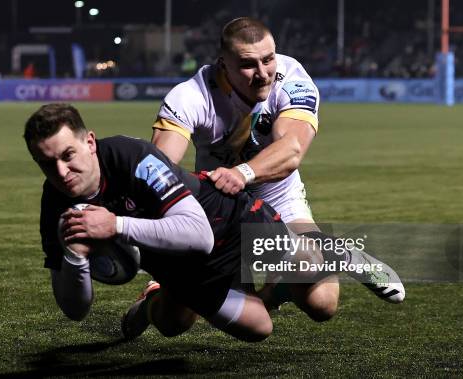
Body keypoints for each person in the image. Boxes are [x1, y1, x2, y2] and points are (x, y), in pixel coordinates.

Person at [151, 17, 405, 320]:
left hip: (279, 198)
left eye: (268, 59)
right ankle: (149, 304)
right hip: (219, 206)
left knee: (322, 303)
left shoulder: (292, 78)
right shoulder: (191, 95)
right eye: (248, 65)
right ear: (223, 64)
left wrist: (241, 173)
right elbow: (160, 165)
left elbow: (292, 149)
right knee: (173, 321)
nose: (262, 74)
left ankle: (296, 273)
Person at [24, 103, 312, 342]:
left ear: (89, 142)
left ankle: (282, 285)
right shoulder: (55, 206)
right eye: (47, 163)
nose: (61, 171)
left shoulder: (130, 156)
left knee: (317, 287)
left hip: (232, 223)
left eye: (68, 155)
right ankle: (153, 301)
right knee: (255, 329)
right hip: (177, 264)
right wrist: (75, 258)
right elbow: (75, 310)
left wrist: (116, 225)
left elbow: (200, 235)